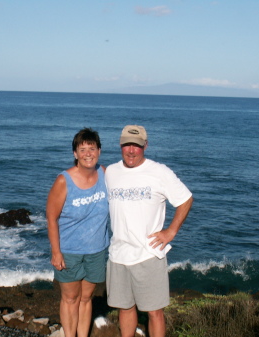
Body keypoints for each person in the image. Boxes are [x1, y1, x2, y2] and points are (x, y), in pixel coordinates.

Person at [105, 125, 193, 337]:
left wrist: (170, 232)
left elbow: (185, 199)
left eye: (136, 145)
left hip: (148, 254)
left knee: (154, 312)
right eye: (127, 145)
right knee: (124, 309)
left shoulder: (159, 172)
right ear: (120, 145)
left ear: (145, 145)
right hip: (118, 255)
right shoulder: (111, 172)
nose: (131, 150)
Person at [46, 128, 109, 337]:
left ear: (99, 151)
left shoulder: (105, 174)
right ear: (75, 154)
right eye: (83, 149)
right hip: (70, 251)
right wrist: (56, 252)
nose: (88, 153)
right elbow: (52, 218)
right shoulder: (64, 181)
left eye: (92, 148)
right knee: (70, 298)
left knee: (86, 298)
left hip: (97, 250)